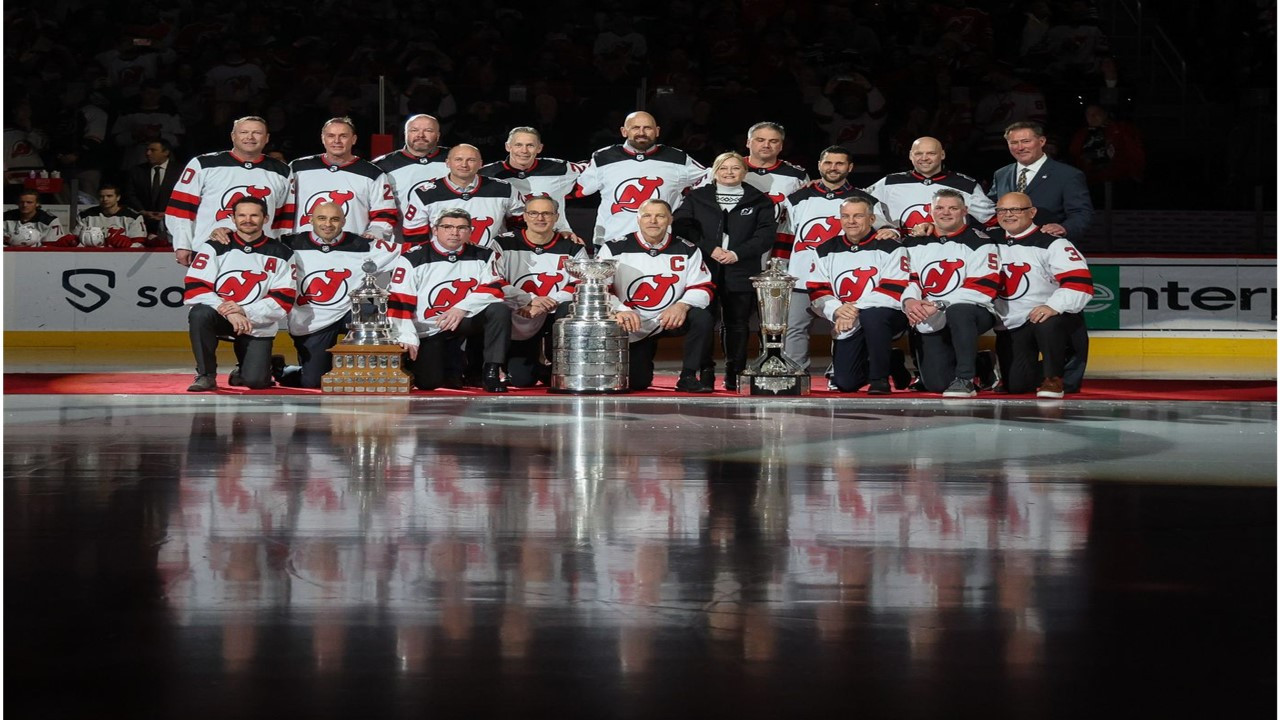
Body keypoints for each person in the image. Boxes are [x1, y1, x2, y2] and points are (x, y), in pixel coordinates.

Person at [779, 146, 897, 373]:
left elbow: (885, 231)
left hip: (845, 278)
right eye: (828, 163)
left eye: (839, 164)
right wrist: (782, 270)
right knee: (794, 327)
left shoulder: (866, 199)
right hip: (801, 276)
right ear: (819, 165)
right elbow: (787, 236)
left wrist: (892, 232)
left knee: (846, 326)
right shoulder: (796, 198)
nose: (833, 168)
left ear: (850, 167)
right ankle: (796, 373)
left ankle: (841, 370)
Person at [672, 151, 777, 391]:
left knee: (738, 323)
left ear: (744, 171)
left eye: (735, 168)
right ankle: (705, 371)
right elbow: (682, 225)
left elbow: (765, 235)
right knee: (705, 321)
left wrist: (737, 254)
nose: (729, 172)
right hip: (704, 269)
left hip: (741, 268)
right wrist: (711, 249)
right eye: (724, 168)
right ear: (715, 171)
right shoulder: (697, 197)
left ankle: (735, 372)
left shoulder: (759, 200)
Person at [276, 202, 402, 388]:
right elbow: (257, 247)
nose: (328, 224)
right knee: (313, 382)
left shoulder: (364, 245)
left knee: (379, 315)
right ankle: (283, 369)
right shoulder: (289, 244)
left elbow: (410, 255)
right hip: (311, 320)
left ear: (344, 221)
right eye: (322, 218)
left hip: (349, 312)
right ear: (310, 220)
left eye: (335, 219)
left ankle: (383, 368)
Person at [387, 209, 512, 393]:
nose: (454, 232)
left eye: (461, 228)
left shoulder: (484, 255)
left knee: (498, 310)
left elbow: (494, 288)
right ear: (435, 230)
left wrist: (461, 308)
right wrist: (407, 336)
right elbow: (399, 301)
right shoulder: (412, 257)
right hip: (428, 328)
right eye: (448, 227)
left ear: (470, 231)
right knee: (429, 382)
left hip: (464, 321)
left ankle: (491, 371)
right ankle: (456, 362)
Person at [597, 199, 715, 393]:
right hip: (631, 322)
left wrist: (682, 305)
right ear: (638, 219)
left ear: (670, 220)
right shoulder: (614, 248)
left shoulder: (688, 248)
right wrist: (620, 310)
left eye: (660, 216)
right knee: (637, 382)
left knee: (702, 317)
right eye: (647, 216)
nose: (653, 221)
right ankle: (644, 358)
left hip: (670, 319)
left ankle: (688, 375)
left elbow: (703, 287)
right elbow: (600, 288)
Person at [183, 196, 295, 392]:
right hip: (221, 315)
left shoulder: (281, 252)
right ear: (232, 219)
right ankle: (206, 375)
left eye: (254, 215)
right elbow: (195, 286)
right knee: (199, 314)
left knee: (256, 382)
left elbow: (283, 300)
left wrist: (244, 310)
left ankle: (255, 366)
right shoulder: (214, 246)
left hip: (255, 321)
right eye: (241, 215)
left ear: (265, 218)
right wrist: (229, 311)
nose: (247, 220)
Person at [991, 192, 1093, 397]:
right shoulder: (987, 241)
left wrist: (1053, 306)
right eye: (1002, 210)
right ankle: (986, 366)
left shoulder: (1054, 243)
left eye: (1015, 210)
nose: (1008, 215)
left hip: (1047, 318)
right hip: (1012, 324)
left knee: (1047, 321)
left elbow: (1080, 284)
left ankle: (1053, 378)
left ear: (1032, 212)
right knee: (1017, 386)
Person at [901, 188, 1001, 397]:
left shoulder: (980, 242)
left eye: (953, 208)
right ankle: (981, 362)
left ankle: (965, 379)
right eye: (940, 208)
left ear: (965, 211)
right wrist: (910, 301)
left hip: (973, 313)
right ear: (930, 210)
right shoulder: (914, 242)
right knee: (936, 384)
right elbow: (909, 278)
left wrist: (939, 304)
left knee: (960, 311)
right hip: (930, 315)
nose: (945, 213)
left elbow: (982, 287)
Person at [807, 197, 911, 394]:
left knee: (873, 316)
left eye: (858, 216)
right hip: (847, 318)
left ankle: (879, 379)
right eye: (845, 216)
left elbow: (894, 287)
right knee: (846, 383)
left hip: (886, 316)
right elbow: (817, 289)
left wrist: (854, 309)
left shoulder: (892, 247)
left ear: (872, 219)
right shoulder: (824, 249)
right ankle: (890, 360)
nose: (851, 221)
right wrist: (837, 310)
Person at [166, 115, 294, 267]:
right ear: (233, 136)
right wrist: (182, 244)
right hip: (208, 252)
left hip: (262, 255)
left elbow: (283, 220)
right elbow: (181, 208)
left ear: (266, 138)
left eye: (257, 133)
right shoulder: (203, 164)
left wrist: (280, 250)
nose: (250, 137)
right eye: (244, 132)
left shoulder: (282, 171)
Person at [493, 196, 587, 387]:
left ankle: (559, 364)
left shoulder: (572, 247)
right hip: (521, 313)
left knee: (569, 307)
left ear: (556, 217)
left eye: (546, 213)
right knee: (522, 380)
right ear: (525, 217)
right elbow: (495, 279)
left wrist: (549, 301)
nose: (540, 218)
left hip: (556, 313)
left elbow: (581, 281)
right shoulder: (502, 243)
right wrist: (530, 300)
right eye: (534, 213)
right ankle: (539, 367)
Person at [572, 111, 705, 245]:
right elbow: (573, 189)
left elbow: (711, 179)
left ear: (657, 131)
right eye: (635, 128)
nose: (641, 132)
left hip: (664, 245)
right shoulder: (603, 158)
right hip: (611, 244)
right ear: (624, 131)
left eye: (647, 128)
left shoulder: (677, 159)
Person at [290, 117, 397, 240]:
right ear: (322, 138)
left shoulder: (372, 173)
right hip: (303, 249)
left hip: (352, 251)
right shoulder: (298, 168)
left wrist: (373, 235)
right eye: (331, 135)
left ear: (354, 139)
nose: (337, 141)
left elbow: (385, 213)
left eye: (343, 136)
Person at [401, 144, 523, 250]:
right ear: (447, 163)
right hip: (443, 263)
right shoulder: (424, 193)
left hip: (492, 262)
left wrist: (508, 250)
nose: (464, 165)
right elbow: (414, 234)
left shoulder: (503, 189)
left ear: (481, 164)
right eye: (458, 159)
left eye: (471, 160)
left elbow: (522, 224)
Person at [865, 136, 996, 233]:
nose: (924, 158)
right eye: (918, 153)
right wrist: (884, 227)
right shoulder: (889, 183)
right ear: (910, 156)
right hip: (903, 253)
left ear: (942, 154)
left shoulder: (965, 185)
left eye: (931, 153)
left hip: (950, 251)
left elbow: (993, 219)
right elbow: (861, 203)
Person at [989, 121, 1093, 240]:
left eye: (1026, 141)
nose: (1020, 147)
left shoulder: (1068, 175)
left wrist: (1064, 228)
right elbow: (990, 208)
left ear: (1042, 141)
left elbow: (1081, 213)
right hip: (1007, 248)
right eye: (1014, 143)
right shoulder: (1001, 174)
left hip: (1049, 245)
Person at [479, 126, 584, 234]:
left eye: (530, 145)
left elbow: (594, 170)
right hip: (504, 242)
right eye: (518, 145)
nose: (524, 150)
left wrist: (565, 229)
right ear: (508, 146)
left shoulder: (559, 169)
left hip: (553, 239)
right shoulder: (487, 174)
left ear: (539, 148)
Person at [373, 113, 449, 241]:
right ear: (405, 134)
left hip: (450, 243)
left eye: (428, 130)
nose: (420, 135)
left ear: (438, 135)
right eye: (414, 130)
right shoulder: (382, 166)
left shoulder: (456, 159)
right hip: (401, 244)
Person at [123, 139, 179, 240]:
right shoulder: (136, 171)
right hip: (143, 222)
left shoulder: (180, 171)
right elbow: (130, 194)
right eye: (147, 150)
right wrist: (143, 211)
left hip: (172, 224)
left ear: (166, 152)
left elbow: (184, 195)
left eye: (153, 150)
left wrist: (168, 213)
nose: (148, 153)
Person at [73, 184, 148, 248]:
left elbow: (139, 244)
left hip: (122, 258)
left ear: (118, 197)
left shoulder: (133, 217)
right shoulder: (85, 215)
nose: (105, 199)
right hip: (91, 256)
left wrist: (127, 245)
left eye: (109, 196)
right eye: (101, 196)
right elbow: (76, 241)